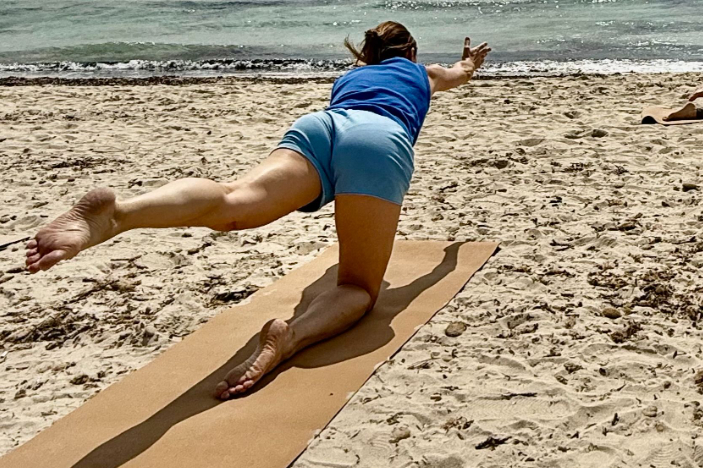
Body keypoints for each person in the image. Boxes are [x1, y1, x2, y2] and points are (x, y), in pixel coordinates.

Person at [25, 22, 491, 400]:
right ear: (410, 52)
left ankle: (120, 213)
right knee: (356, 287)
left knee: (233, 199)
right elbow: (458, 73)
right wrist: (469, 62)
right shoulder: (420, 72)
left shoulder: (349, 78)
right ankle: (290, 336)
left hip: (321, 126)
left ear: (368, 54)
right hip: (378, 139)